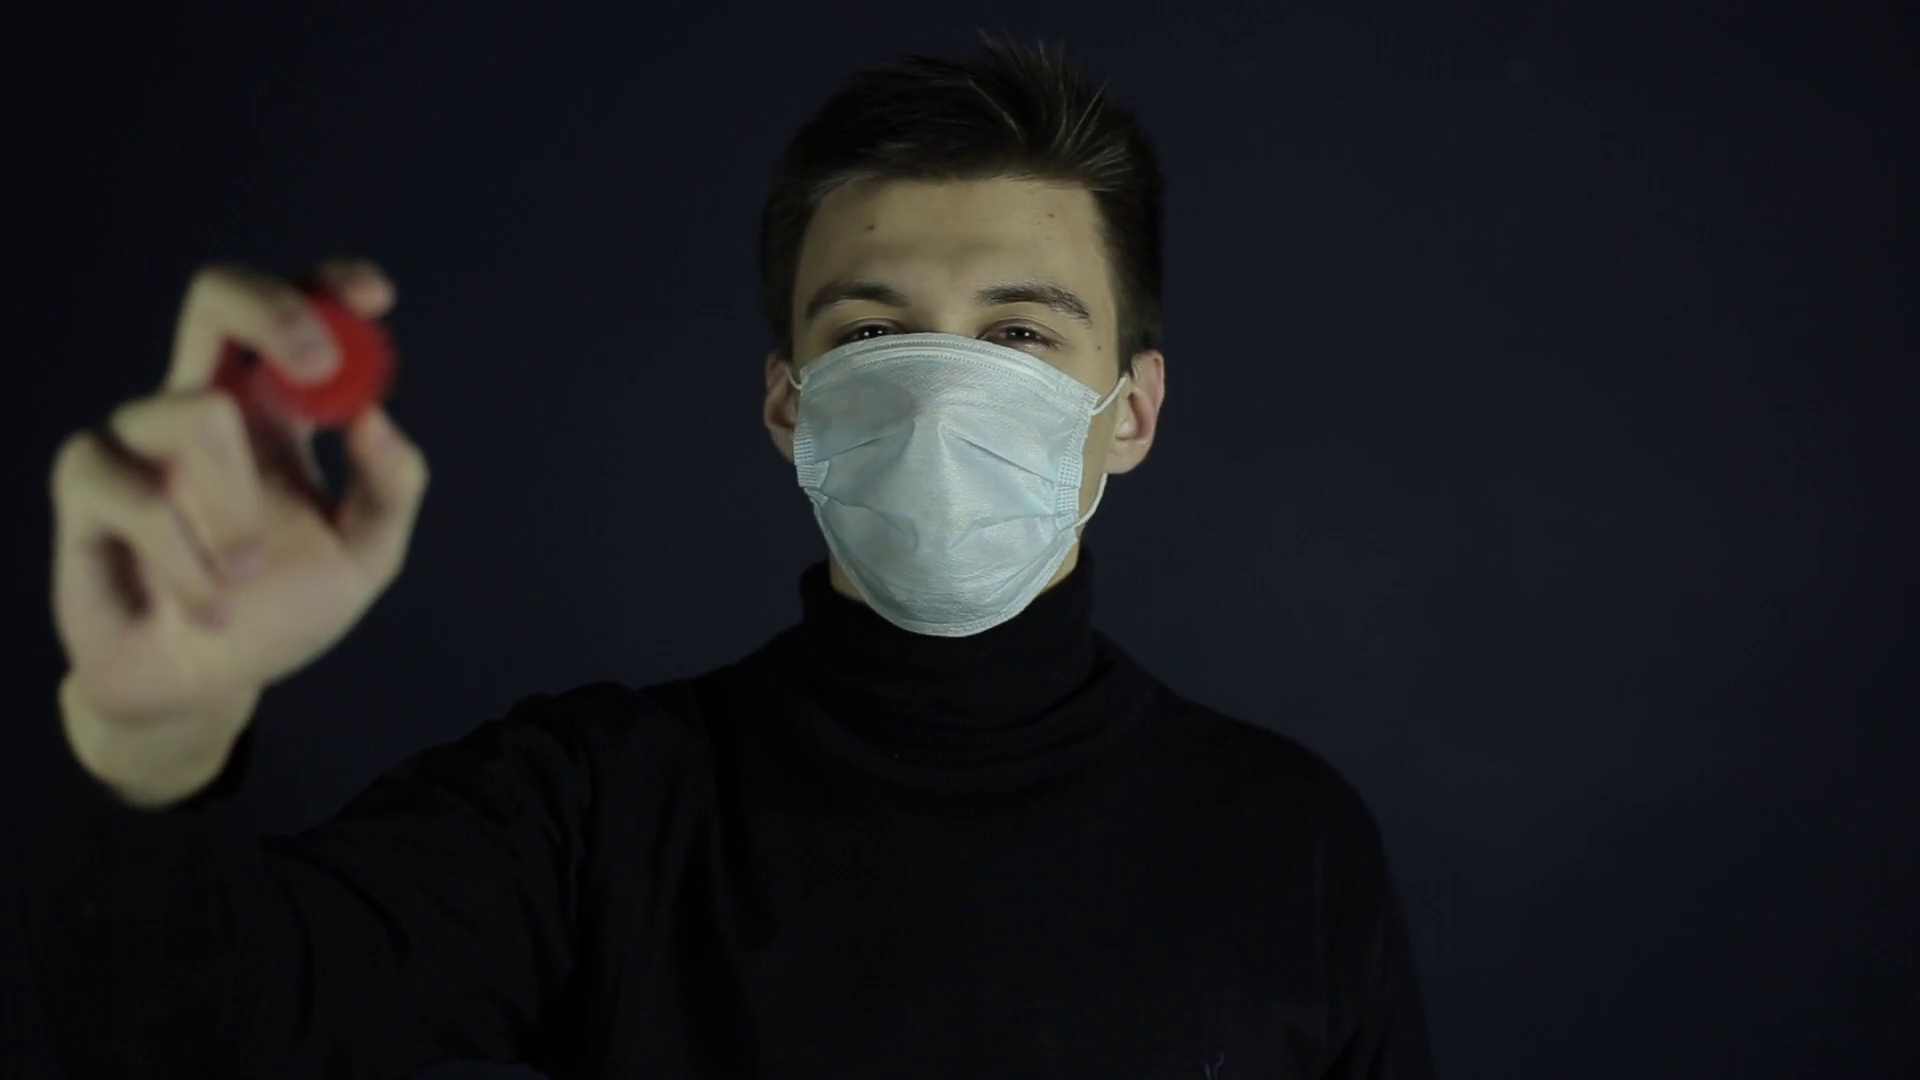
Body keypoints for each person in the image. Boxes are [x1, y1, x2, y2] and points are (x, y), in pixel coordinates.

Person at [23, 32, 1433, 1080]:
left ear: (1131, 411)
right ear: (788, 407)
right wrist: (154, 741)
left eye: (1018, 334)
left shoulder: (1293, 845)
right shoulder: (597, 813)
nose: (938, 402)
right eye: (872, 334)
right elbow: (199, 1031)